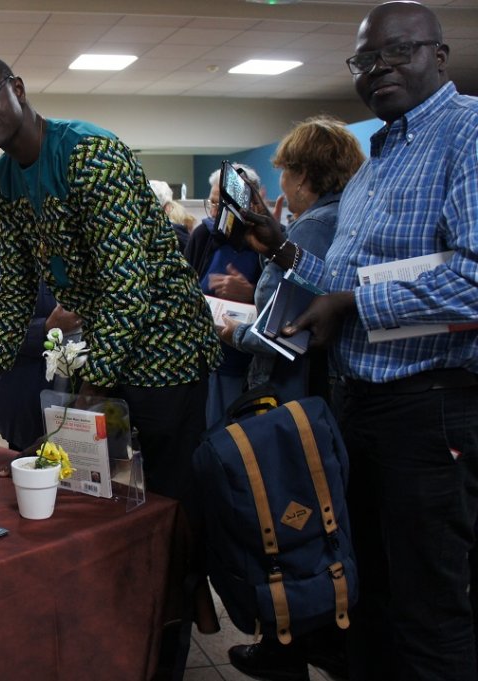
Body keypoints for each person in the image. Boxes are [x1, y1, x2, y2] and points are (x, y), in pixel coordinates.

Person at [0, 55, 222, 679]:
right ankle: (122, 636)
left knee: (165, 512)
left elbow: (128, 287)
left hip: (166, 356)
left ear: (17, 89)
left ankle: (170, 648)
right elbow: (15, 290)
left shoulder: (89, 155)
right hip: (114, 353)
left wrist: (87, 404)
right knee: (112, 503)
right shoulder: (8, 180)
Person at [239, 3, 478, 679]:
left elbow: (474, 280)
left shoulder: (468, 134)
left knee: (427, 609)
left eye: (397, 53)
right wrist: (283, 248)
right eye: (366, 59)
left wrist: (350, 300)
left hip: (430, 412)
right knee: (365, 596)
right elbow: (343, 283)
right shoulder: (378, 161)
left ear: (439, 53)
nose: (379, 71)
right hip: (361, 408)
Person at [219, 116, 365, 681]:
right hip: (324, 393)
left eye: (285, 175)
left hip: (287, 396)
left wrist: (230, 330)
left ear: (305, 175)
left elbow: (284, 333)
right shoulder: (340, 222)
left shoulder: (310, 231)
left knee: (283, 522)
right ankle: (310, 641)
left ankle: (289, 645)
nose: (281, 187)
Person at [219, 116, 365, 405]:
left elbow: (289, 330)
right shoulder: (342, 216)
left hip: (292, 385)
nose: (282, 181)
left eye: (285, 171)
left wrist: (236, 334)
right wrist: (276, 244)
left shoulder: (313, 226)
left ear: (302, 177)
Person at [186, 164, 265, 427]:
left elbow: (284, 306)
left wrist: (250, 293)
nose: (218, 213)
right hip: (204, 360)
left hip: (247, 363)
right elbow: (185, 288)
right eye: (213, 204)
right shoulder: (204, 235)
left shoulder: (266, 242)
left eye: (224, 205)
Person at [0, 279, 81, 451]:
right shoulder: (29, 273)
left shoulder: (104, 273)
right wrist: (45, 328)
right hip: (29, 406)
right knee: (26, 467)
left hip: (87, 406)